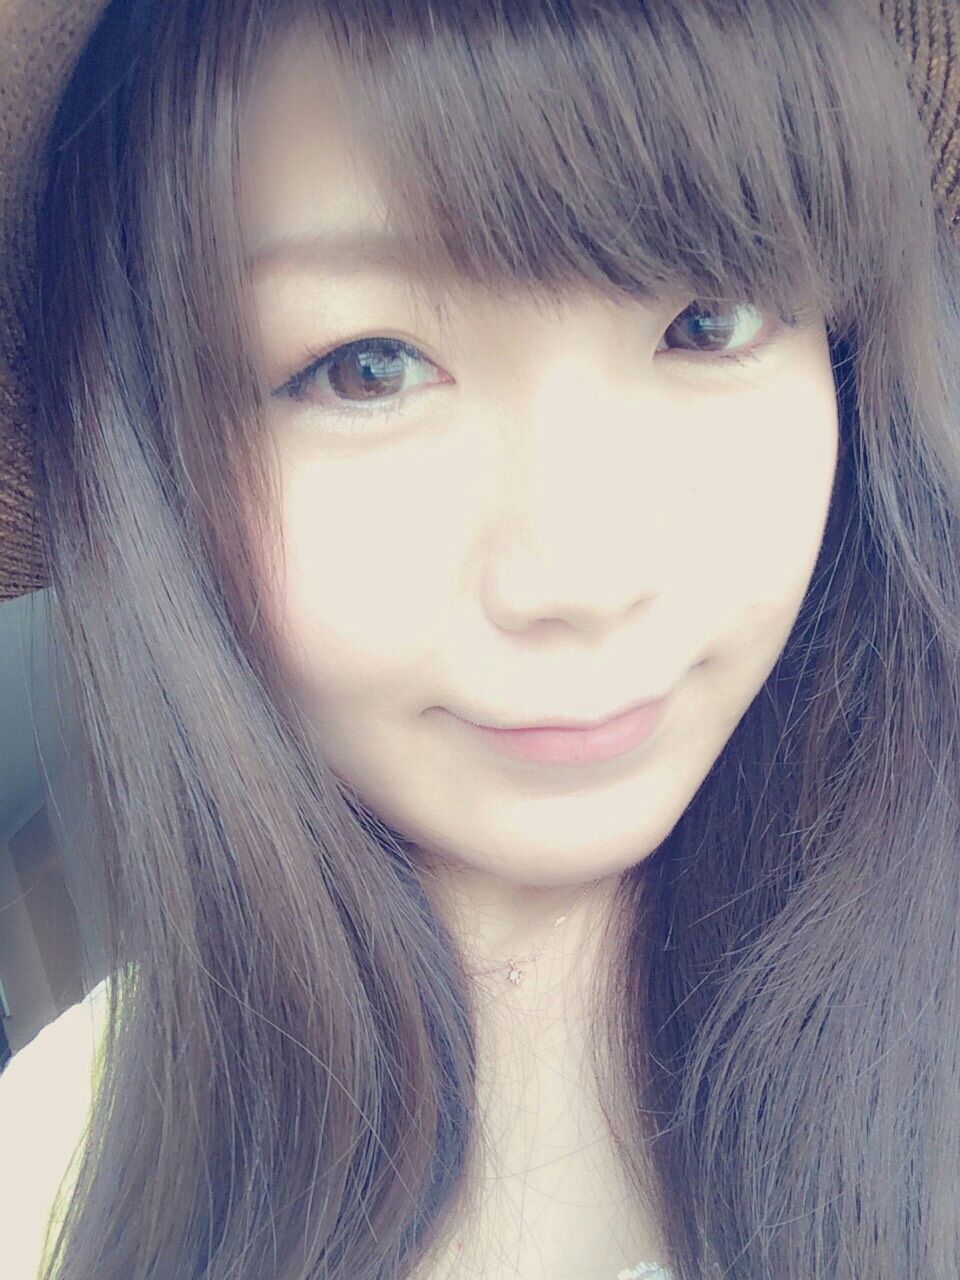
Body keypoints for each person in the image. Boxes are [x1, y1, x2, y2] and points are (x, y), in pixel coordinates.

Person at [0, 1, 958, 1278]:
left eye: (709, 319)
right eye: (369, 367)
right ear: (152, 461)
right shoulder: (46, 1158)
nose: (587, 579)